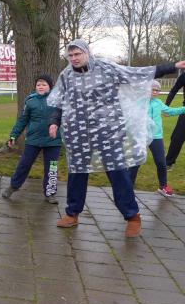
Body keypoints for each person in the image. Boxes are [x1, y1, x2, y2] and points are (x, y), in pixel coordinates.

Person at [48, 39, 185, 237]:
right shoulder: (67, 75)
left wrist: (173, 66)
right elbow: (60, 101)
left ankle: (132, 216)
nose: (74, 58)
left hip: (108, 131)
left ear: (87, 53)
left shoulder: (106, 68)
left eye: (77, 54)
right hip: (78, 133)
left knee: (117, 173)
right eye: (70, 55)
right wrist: (54, 121)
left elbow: (138, 73)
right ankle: (72, 213)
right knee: (77, 172)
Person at [1, 75, 62, 203]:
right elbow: (22, 120)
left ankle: (50, 194)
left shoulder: (58, 99)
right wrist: (13, 136)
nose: (41, 87)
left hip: (53, 141)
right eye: (38, 84)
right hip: (33, 140)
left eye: (44, 84)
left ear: (50, 86)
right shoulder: (30, 101)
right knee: (24, 164)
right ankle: (13, 186)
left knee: (52, 168)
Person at [129, 80, 185, 196]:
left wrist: (183, 109)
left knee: (161, 162)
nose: (155, 92)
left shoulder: (158, 103)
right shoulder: (140, 102)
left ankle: (163, 186)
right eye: (153, 89)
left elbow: (170, 111)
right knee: (136, 161)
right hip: (142, 136)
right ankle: (128, 186)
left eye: (157, 90)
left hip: (156, 137)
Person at [165, 70, 185, 168]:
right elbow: (174, 90)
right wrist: (166, 107)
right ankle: (169, 162)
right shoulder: (184, 76)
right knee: (177, 137)